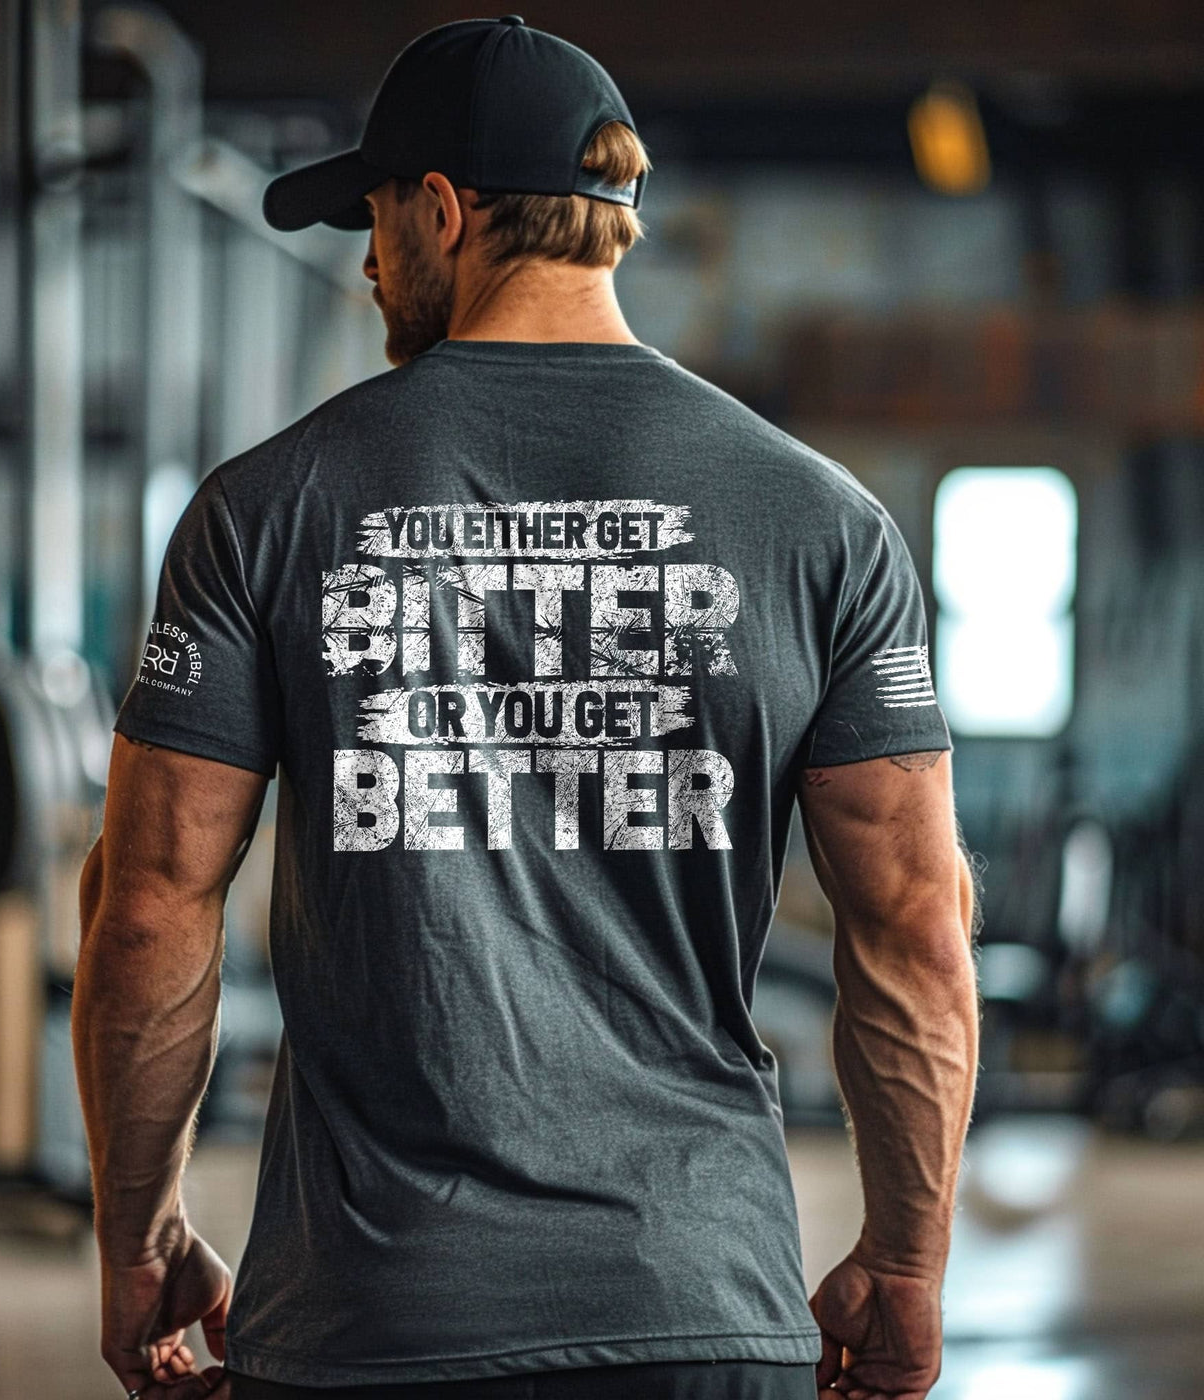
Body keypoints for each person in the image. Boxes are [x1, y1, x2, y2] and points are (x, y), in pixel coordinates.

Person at [72, 15, 980, 1400]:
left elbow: (147, 908)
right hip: (696, 1312)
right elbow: (917, 925)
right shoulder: (825, 525)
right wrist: (908, 1264)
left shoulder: (263, 510)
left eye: (375, 223)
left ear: (442, 210)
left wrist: (138, 1239)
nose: (371, 266)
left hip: (371, 1328)